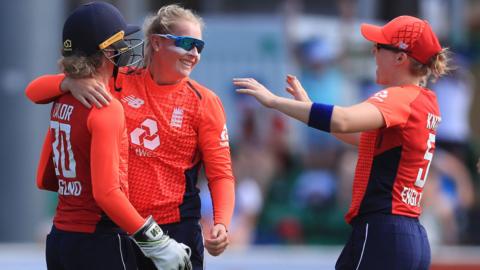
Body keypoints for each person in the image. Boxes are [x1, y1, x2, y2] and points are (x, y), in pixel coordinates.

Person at [25, 4, 234, 270]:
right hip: (125, 228)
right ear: (157, 43)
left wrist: (222, 223)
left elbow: (221, 173)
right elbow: (33, 91)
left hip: (175, 229)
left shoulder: (204, 102)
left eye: (199, 47)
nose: (195, 54)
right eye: (187, 43)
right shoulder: (115, 80)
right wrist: (68, 82)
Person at [234, 15, 450, 270]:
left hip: (384, 232)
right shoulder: (425, 100)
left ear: (400, 57)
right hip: (406, 233)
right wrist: (307, 108)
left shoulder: (400, 97)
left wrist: (274, 102)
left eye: (379, 47)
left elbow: (343, 120)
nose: (373, 52)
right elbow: (356, 135)